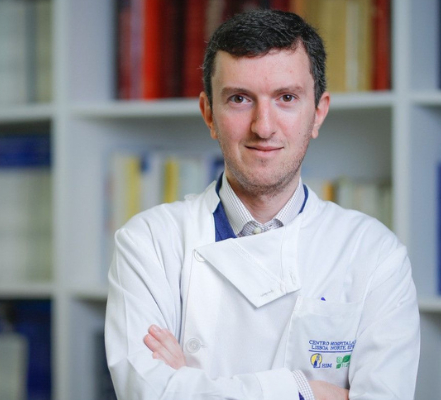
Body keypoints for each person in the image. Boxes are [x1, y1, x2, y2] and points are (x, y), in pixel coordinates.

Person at [105, 9, 420, 400]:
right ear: (209, 114)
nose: (263, 126)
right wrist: (305, 391)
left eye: (286, 98)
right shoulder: (149, 242)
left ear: (318, 113)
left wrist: (189, 384)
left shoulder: (374, 254)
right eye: (239, 99)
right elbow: (146, 394)